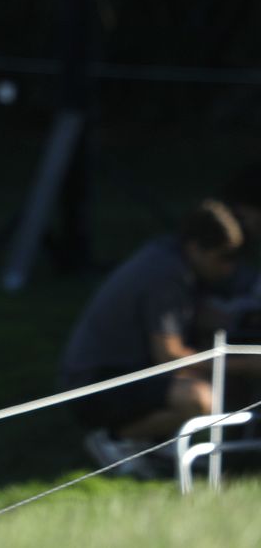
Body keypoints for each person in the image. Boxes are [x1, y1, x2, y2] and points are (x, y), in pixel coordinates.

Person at [58, 199, 250, 479]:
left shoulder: (169, 256)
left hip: (112, 376)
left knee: (209, 380)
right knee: (200, 397)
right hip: (95, 386)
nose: (228, 269)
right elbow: (168, 356)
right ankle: (116, 439)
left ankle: (154, 447)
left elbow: (200, 316)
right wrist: (249, 364)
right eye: (222, 257)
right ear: (196, 248)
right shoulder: (165, 276)